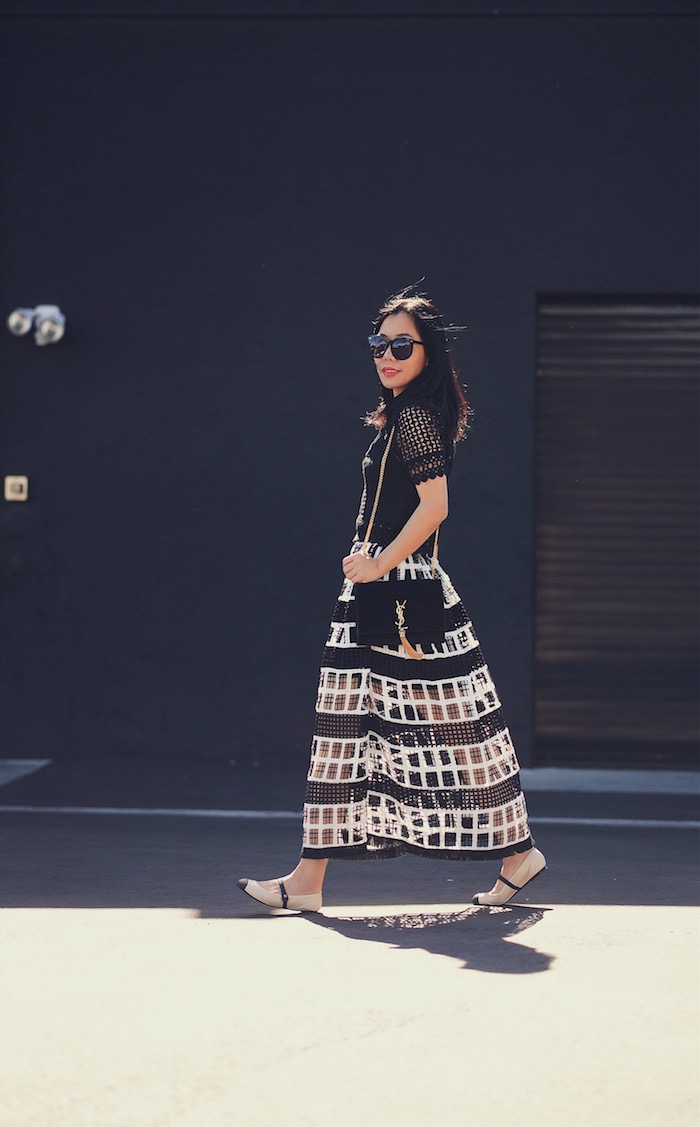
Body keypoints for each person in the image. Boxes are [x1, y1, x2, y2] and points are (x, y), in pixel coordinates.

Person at [238, 286, 546, 912]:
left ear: (428, 352)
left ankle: (514, 853)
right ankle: (309, 879)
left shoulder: (413, 417)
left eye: (400, 345)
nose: (386, 355)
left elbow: (436, 507)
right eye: (378, 344)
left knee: (406, 728)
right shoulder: (406, 413)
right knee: (375, 729)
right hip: (401, 591)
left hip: (396, 591)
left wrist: (377, 561)